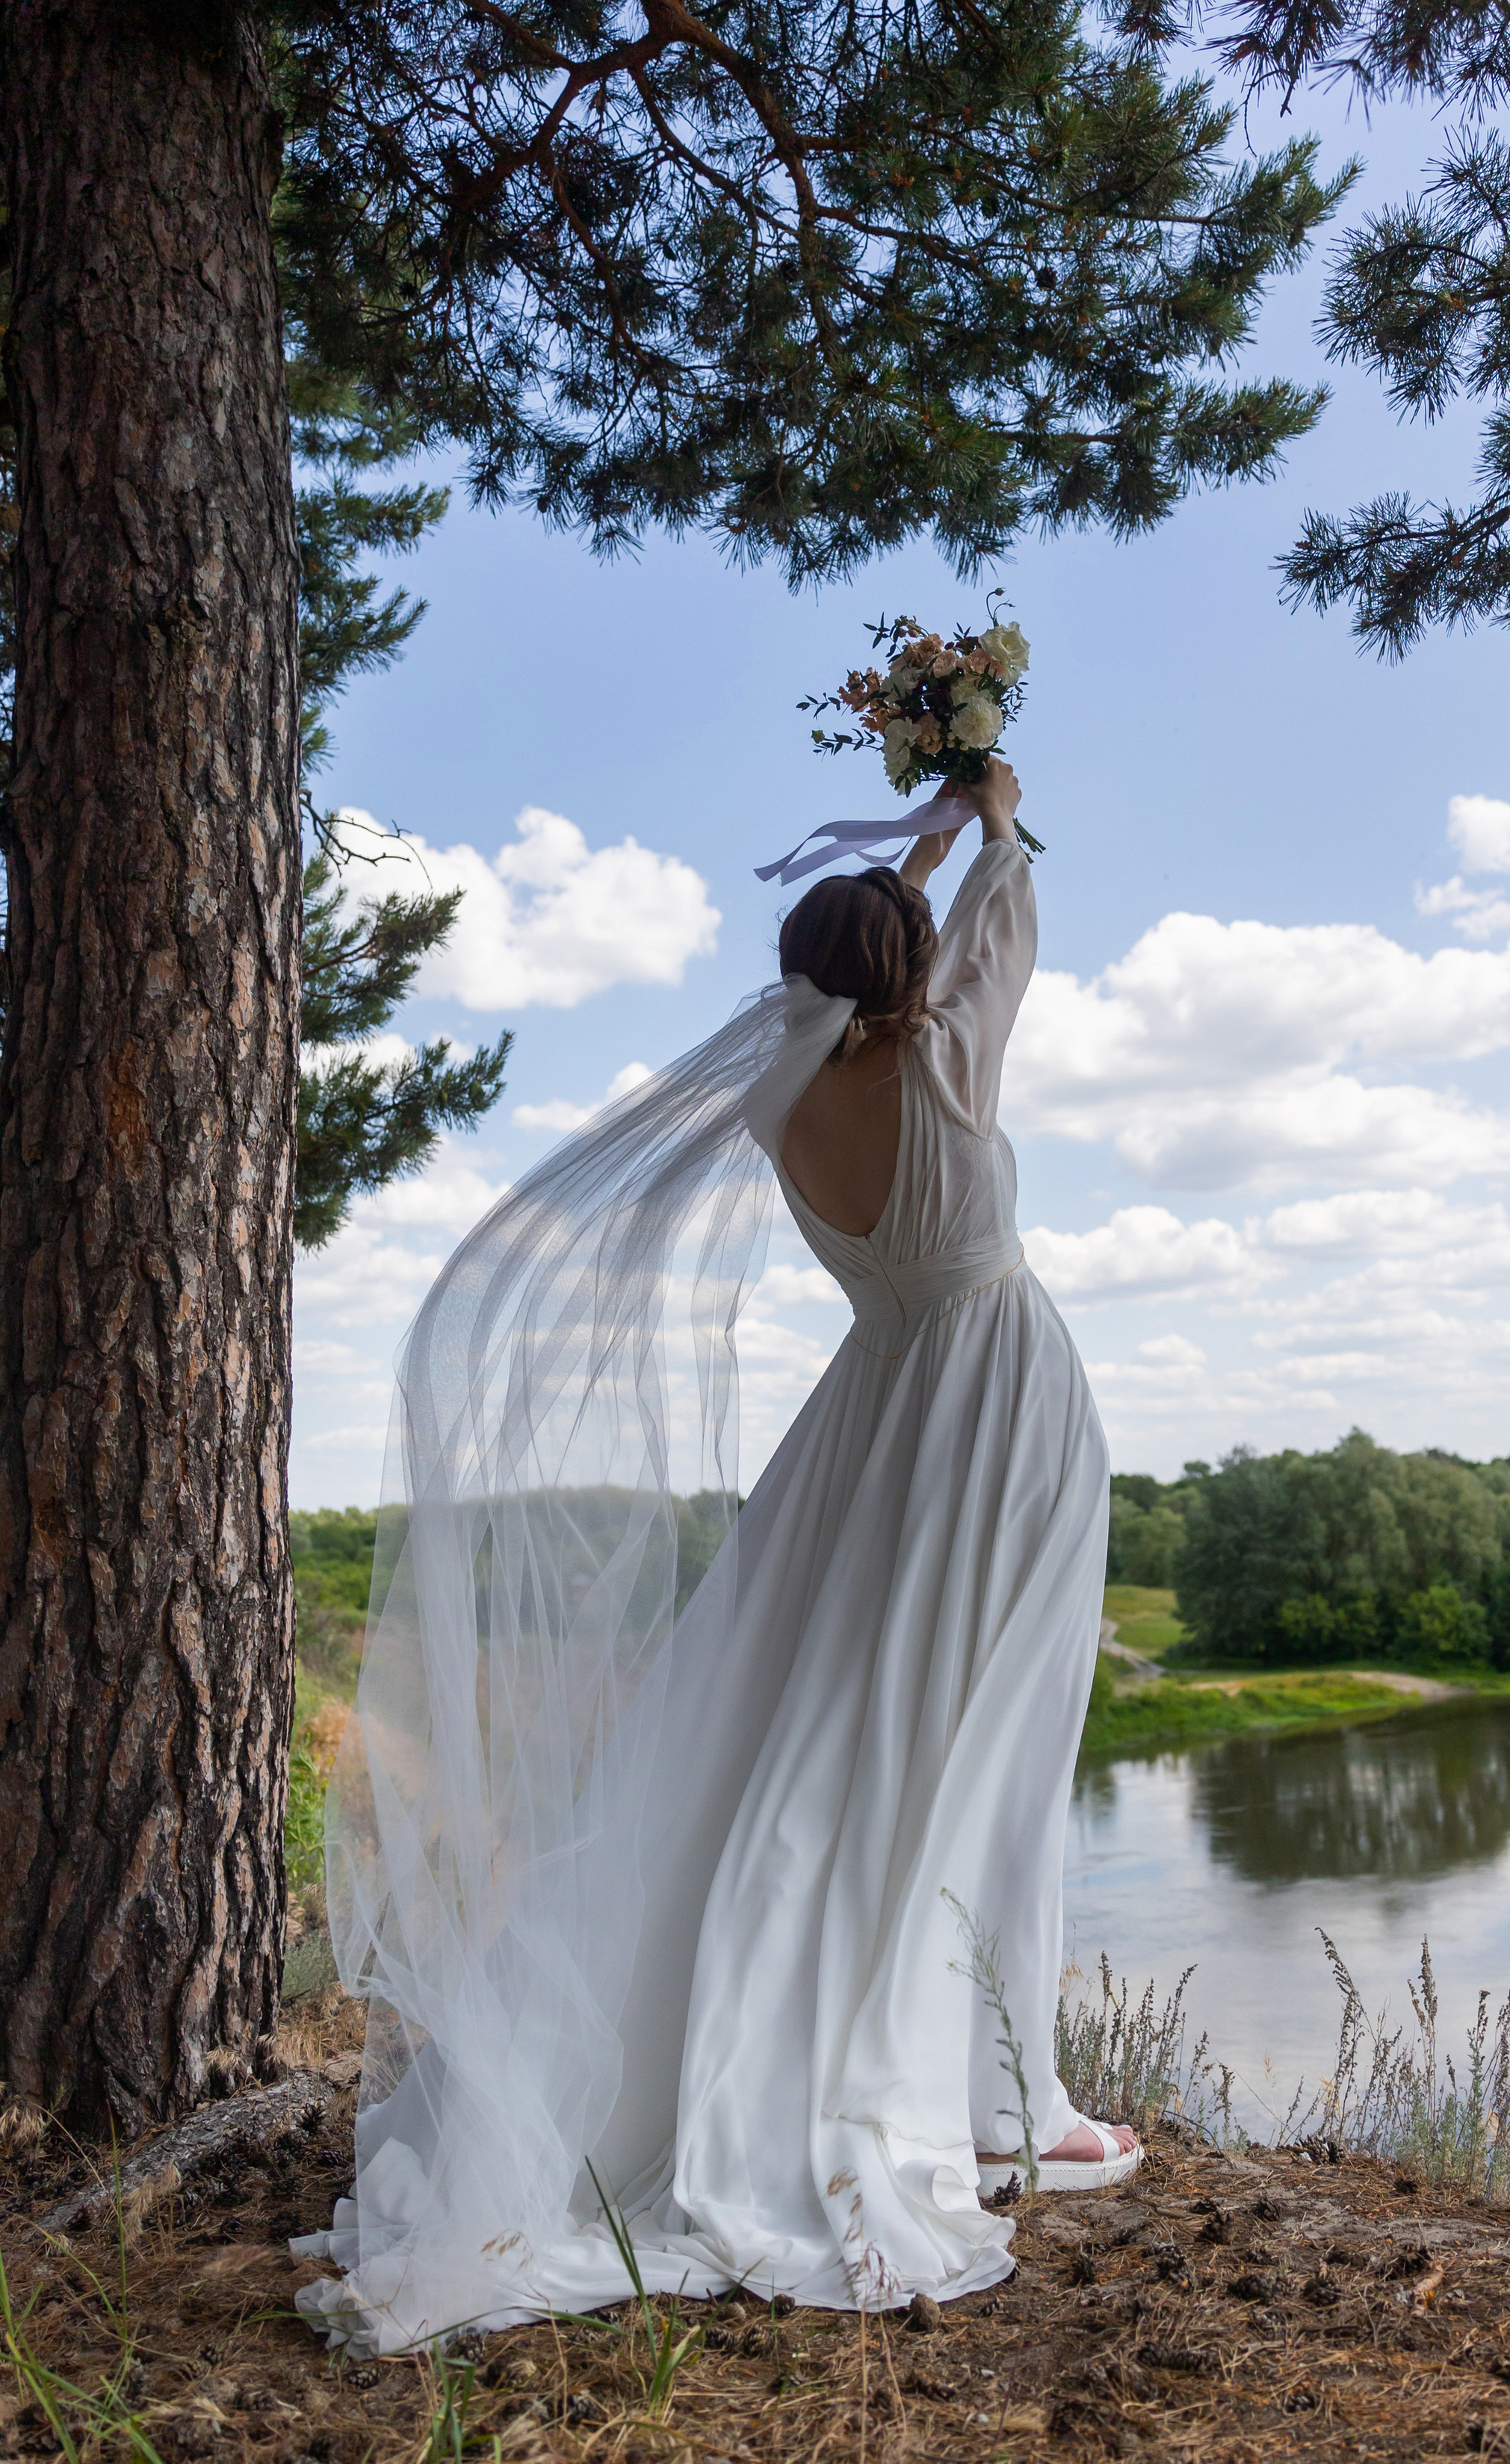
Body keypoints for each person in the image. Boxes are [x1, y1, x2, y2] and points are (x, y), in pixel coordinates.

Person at [295, 757, 1133, 2356]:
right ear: (908, 983)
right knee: (990, 1749)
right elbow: (997, 942)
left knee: (834, 1739)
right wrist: (995, 822)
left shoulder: (775, 1102)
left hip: (870, 1423)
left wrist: (932, 851)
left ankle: (969, 2082)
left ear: (799, 985)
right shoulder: (946, 1068)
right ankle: (988, 2097)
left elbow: (949, 958)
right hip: (997, 1417)